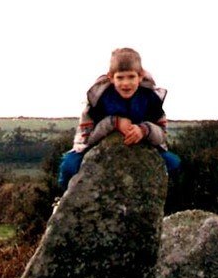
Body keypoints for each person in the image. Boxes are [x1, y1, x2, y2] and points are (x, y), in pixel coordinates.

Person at [58, 47, 179, 193]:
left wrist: (144, 130)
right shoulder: (99, 99)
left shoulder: (150, 98)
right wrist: (113, 123)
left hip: (145, 148)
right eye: (120, 77)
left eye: (131, 77)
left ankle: (164, 207)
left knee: (173, 164)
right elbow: (88, 138)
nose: (126, 83)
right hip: (96, 148)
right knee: (69, 167)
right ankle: (64, 201)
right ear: (111, 77)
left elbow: (161, 135)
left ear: (140, 76)